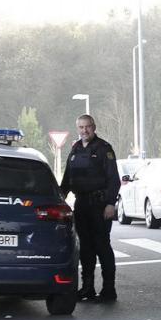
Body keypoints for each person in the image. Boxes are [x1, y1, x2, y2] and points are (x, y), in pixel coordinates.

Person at [60, 114, 120, 302]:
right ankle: (87, 288)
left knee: (102, 246)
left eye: (87, 127)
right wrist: (59, 198)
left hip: (100, 205)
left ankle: (109, 290)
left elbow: (114, 179)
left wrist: (110, 203)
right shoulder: (76, 149)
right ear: (77, 128)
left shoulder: (104, 149)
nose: (84, 130)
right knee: (85, 248)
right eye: (81, 127)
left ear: (94, 127)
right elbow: (67, 178)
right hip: (81, 204)